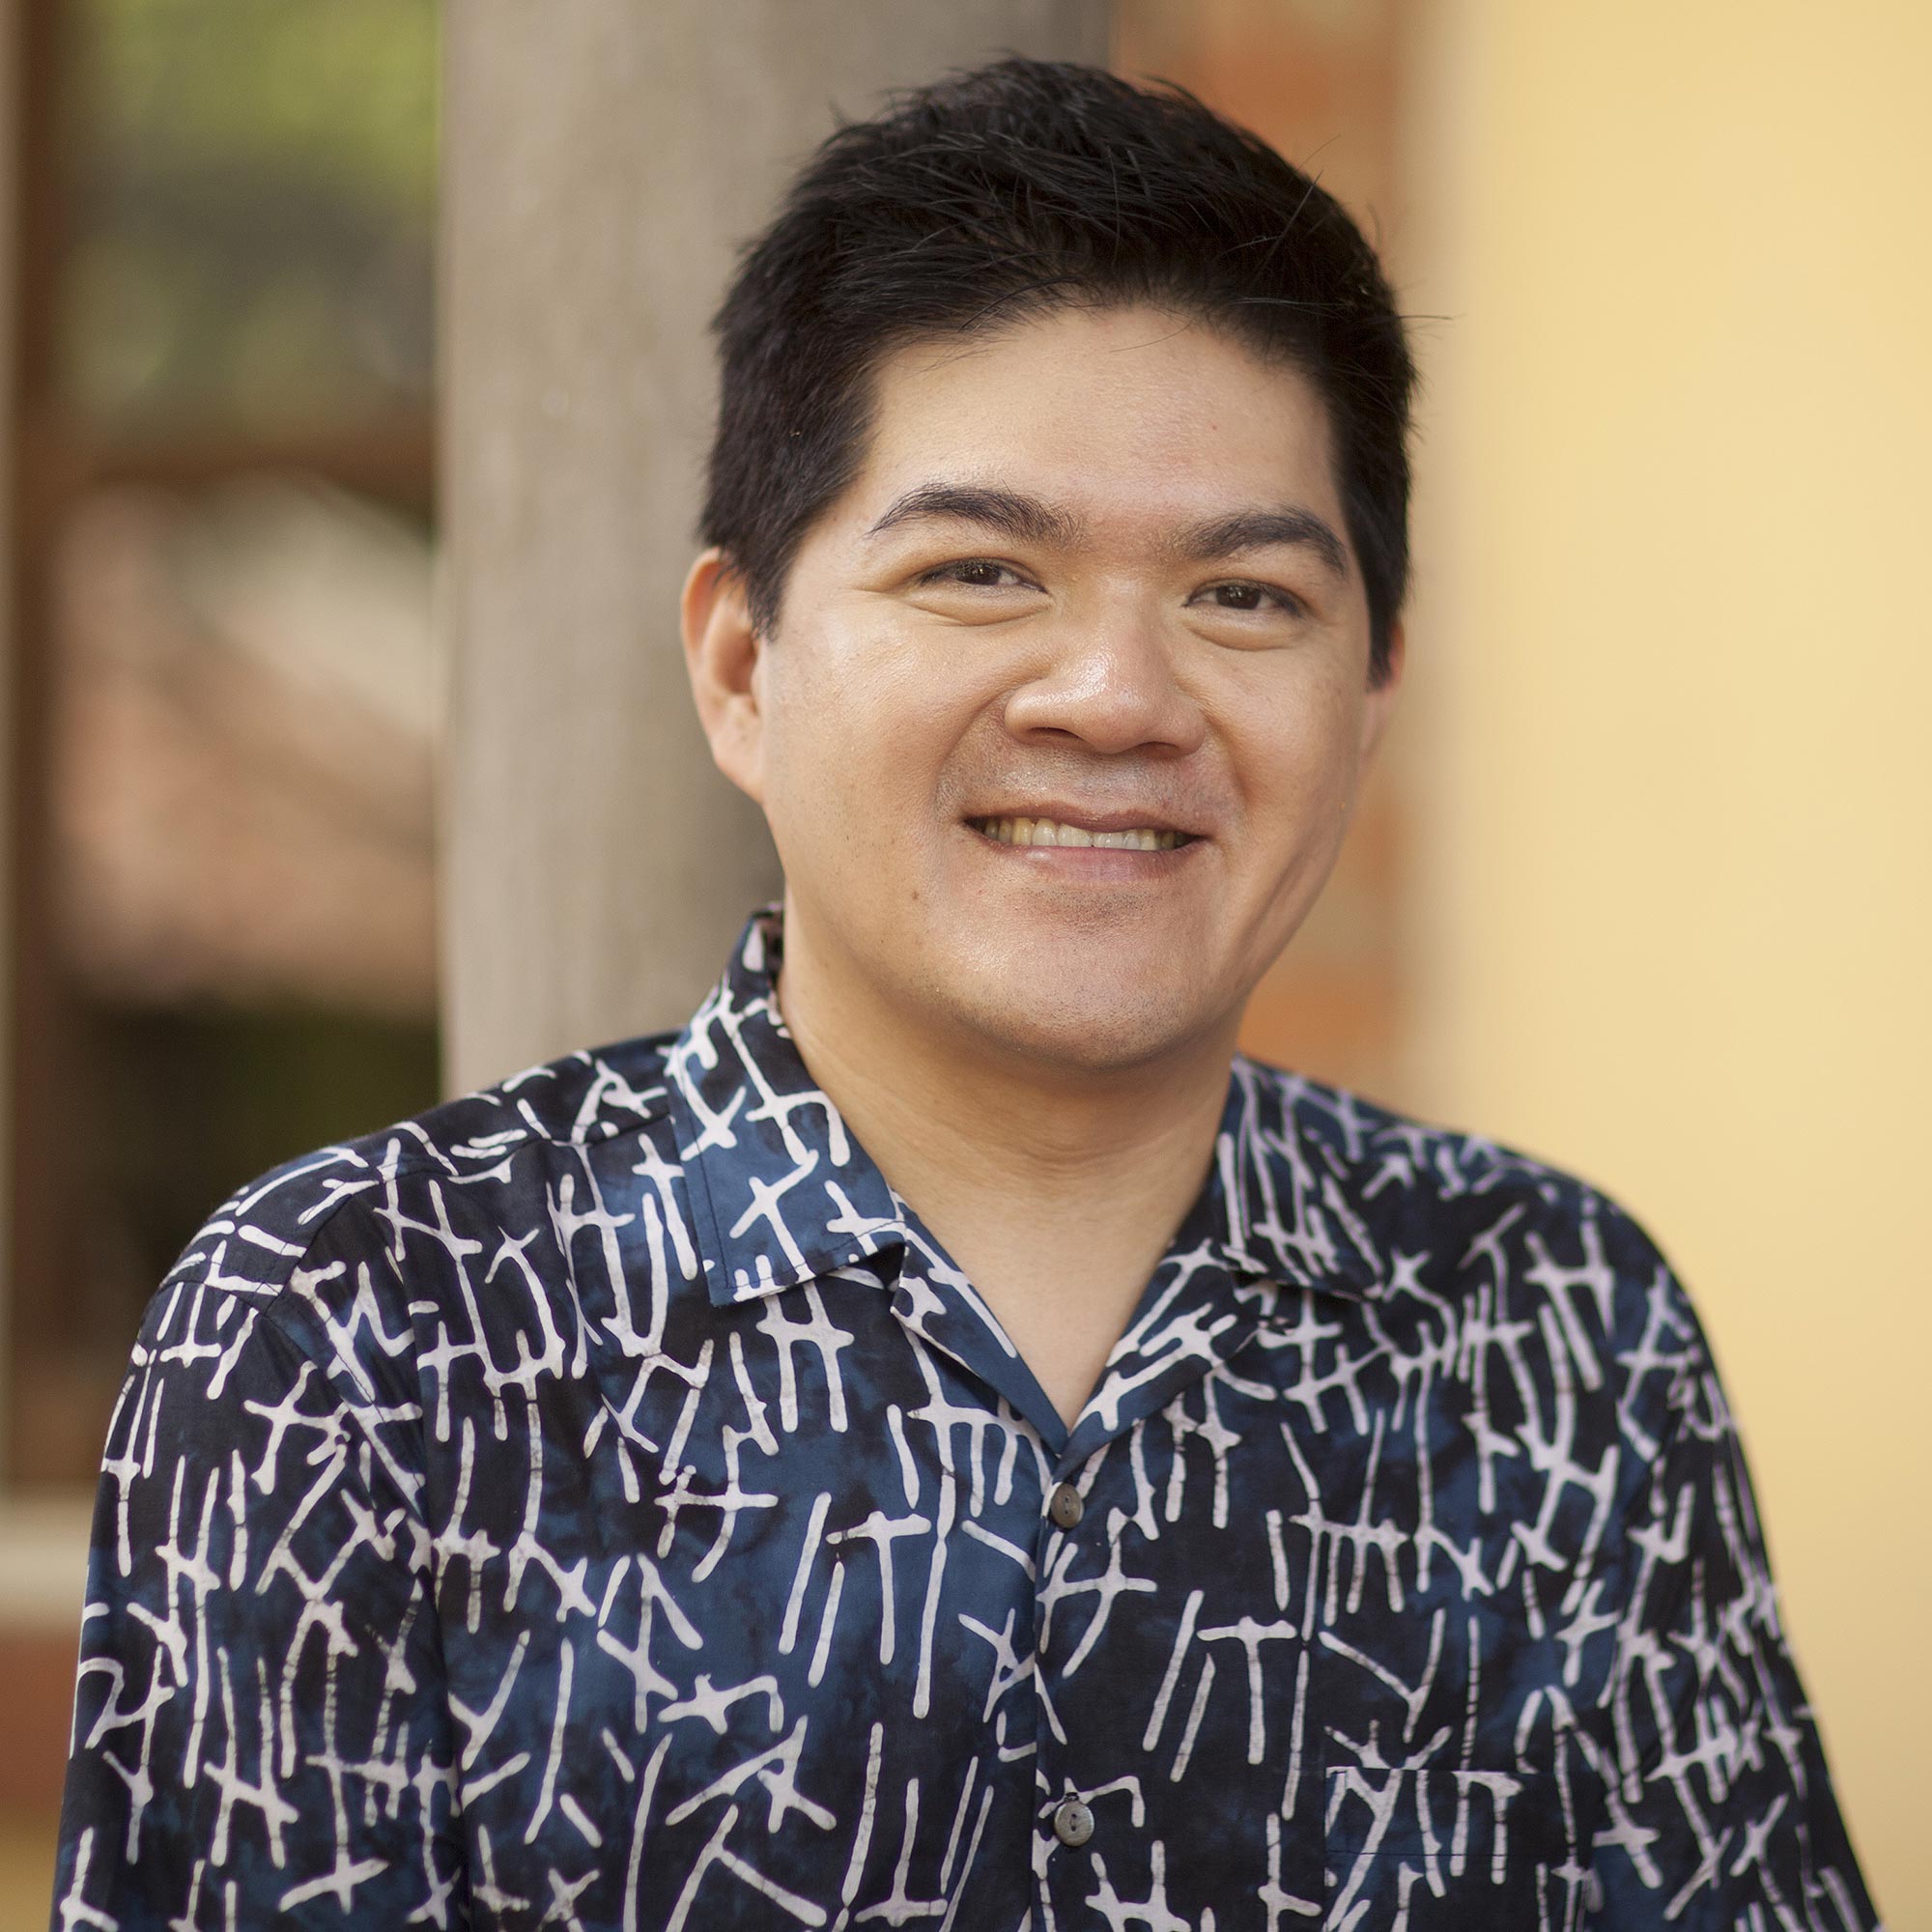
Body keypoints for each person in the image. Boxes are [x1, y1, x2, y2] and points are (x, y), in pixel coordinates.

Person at [50, 58, 1877, 1932]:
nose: (1117, 697)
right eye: (981, 571)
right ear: (742, 664)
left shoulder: (1554, 1332)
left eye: (1245, 598)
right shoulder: (360, 1338)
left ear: (1372, 690)